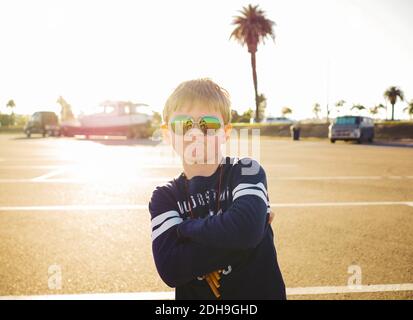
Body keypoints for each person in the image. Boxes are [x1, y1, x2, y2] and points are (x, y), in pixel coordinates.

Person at [148, 78, 286, 300]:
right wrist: (243, 234)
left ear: (226, 132)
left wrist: (185, 229)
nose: (195, 133)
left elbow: (245, 230)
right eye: (183, 124)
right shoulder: (164, 197)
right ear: (166, 133)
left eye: (208, 125)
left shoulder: (246, 171)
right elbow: (171, 268)